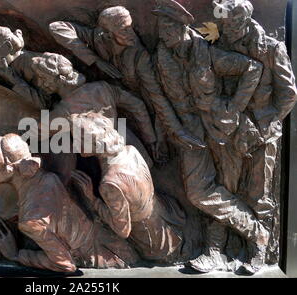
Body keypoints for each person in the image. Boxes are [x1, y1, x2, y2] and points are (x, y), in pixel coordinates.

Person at [153, 0, 269, 273]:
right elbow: (161, 100)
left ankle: (221, 250)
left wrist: (234, 108)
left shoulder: (207, 51)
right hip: (189, 134)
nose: (161, 33)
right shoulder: (162, 55)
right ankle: (255, 234)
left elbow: (253, 69)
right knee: (198, 192)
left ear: (182, 27)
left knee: (225, 188)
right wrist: (176, 131)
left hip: (222, 131)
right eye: (160, 28)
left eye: (167, 28)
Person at [49, 6, 199, 163]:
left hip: (140, 104)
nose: (131, 33)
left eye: (130, 26)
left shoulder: (139, 55)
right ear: (108, 33)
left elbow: (156, 96)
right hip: (105, 103)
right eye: (124, 29)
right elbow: (56, 27)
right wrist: (96, 60)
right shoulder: (97, 38)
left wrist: (174, 132)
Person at [0, 133, 140, 272]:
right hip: (116, 245)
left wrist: (17, 255)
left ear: (8, 170)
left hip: (102, 260)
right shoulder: (50, 178)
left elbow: (65, 265)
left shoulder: (30, 220)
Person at [215, 0, 297, 248]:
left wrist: (267, 125)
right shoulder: (220, 45)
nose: (225, 29)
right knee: (224, 189)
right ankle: (216, 247)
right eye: (223, 25)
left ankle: (258, 249)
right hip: (232, 130)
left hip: (262, 133)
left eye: (230, 25)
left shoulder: (272, 49)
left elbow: (289, 94)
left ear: (244, 21)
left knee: (259, 194)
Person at [70, 112, 186, 262]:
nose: (73, 144)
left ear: (92, 143)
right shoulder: (131, 151)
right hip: (167, 216)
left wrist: (92, 199)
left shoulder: (109, 184)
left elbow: (122, 230)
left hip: (153, 241)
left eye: (77, 138)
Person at [28, 52, 158, 164]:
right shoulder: (102, 87)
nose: (39, 83)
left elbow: (35, 133)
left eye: (42, 78)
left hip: (112, 159)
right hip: (134, 146)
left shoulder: (64, 111)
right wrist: (151, 139)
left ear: (59, 79)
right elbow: (137, 105)